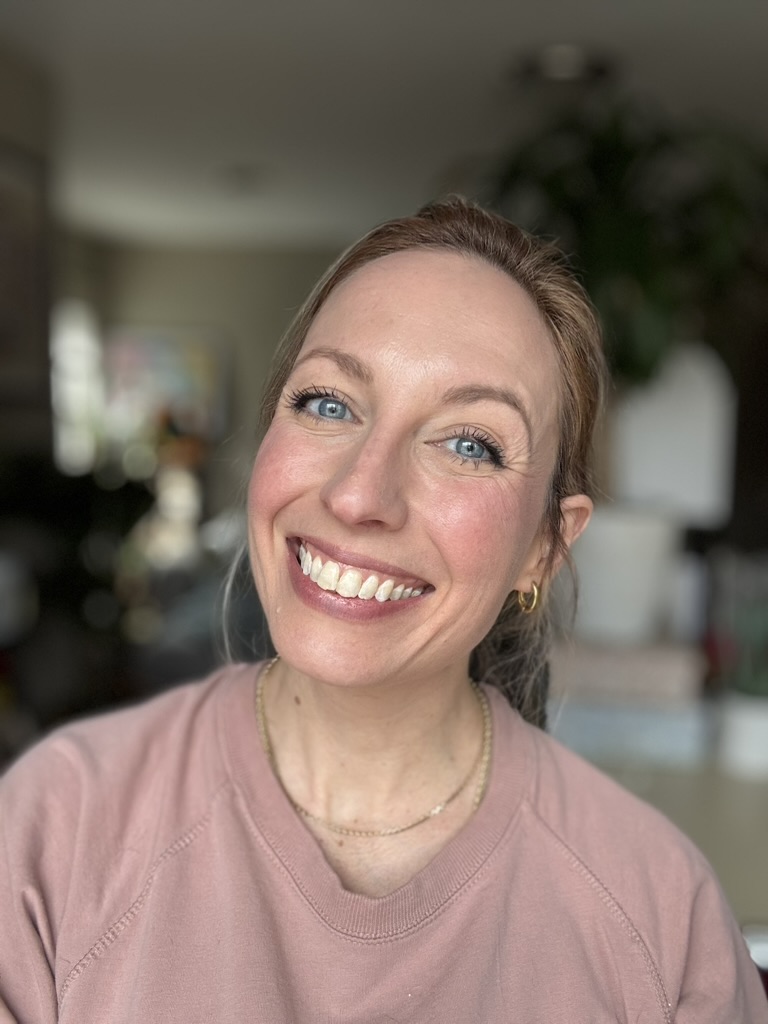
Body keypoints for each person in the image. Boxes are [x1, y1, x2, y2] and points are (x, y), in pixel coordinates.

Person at [1, 197, 765, 1023]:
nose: (360, 494)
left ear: (546, 546)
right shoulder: (55, 828)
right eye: (328, 403)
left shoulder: (661, 918)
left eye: (469, 442)